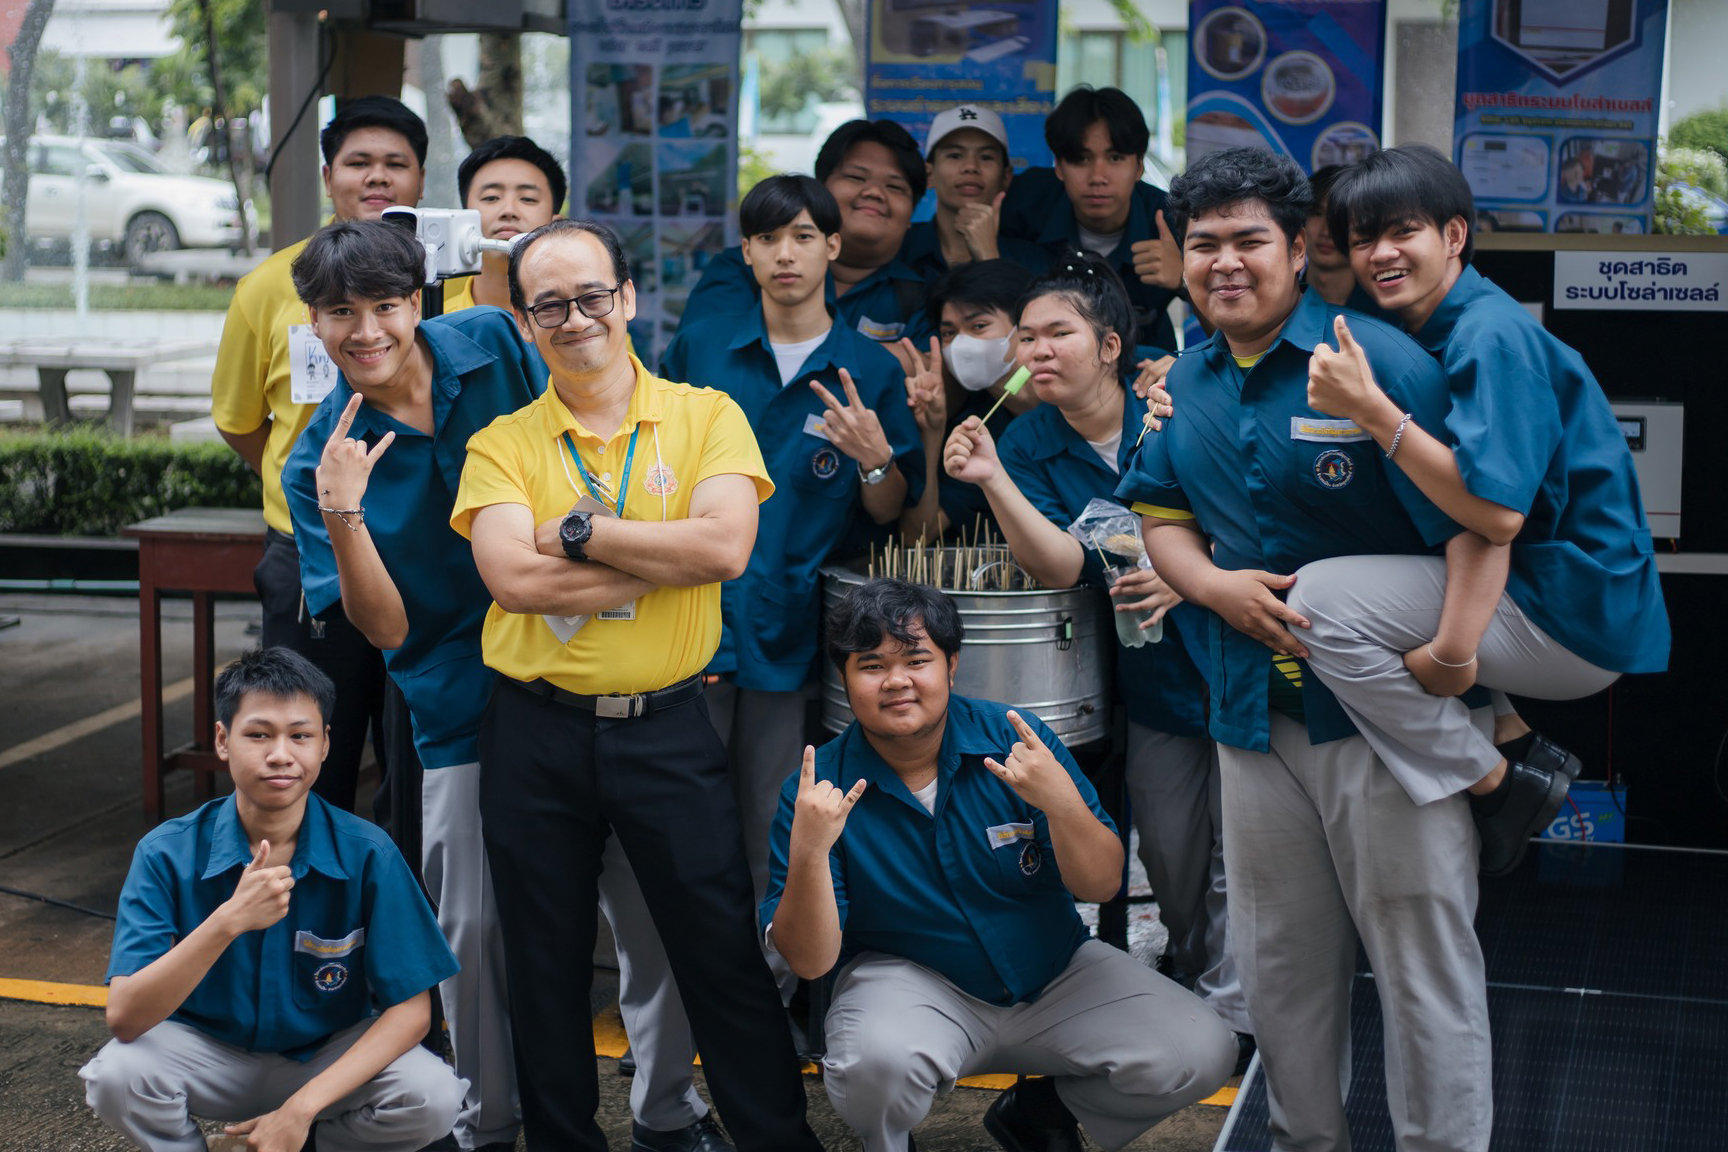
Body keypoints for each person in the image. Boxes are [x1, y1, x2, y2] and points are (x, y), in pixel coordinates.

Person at [1115, 146, 1494, 1151]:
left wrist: (1458, 668)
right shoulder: (1182, 382)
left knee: (1421, 964)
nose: (1225, 263)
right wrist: (1211, 587)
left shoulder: (1377, 364)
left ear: (1298, 249)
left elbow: (1476, 526)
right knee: (1279, 966)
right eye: (1204, 245)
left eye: (1250, 241)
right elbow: (1159, 517)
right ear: (1178, 255)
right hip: (1248, 718)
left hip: (1374, 725)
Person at [449, 218, 824, 1152]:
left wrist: (577, 533)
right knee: (543, 963)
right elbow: (513, 582)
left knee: (719, 952)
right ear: (524, 321)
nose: (574, 319)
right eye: (549, 305)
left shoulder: (707, 417)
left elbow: (728, 547)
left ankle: (777, 1139)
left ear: (625, 298)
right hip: (534, 730)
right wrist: (670, 559)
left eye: (590, 297)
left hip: (667, 725)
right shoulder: (501, 443)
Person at [1298, 143, 1669, 873]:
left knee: (1320, 604)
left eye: (1402, 231)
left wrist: (1374, 414)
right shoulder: (1430, 324)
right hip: (1558, 594)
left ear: (1454, 236)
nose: (1381, 253)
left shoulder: (1489, 334)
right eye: (1363, 238)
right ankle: (1509, 733)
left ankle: (1499, 782)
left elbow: (1497, 519)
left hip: (1575, 611)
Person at [765, 578, 1236, 1152]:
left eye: (917, 659)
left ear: (952, 665)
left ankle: (1040, 1112)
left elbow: (1103, 882)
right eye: (871, 665)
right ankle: (891, 1140)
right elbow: (810, 962)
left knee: (1203, 1050)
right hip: (913, 985)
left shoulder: (1016, 740)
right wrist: (810, 850)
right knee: (873, 1070)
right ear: (843, 676)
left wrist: (1059, 801)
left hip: (1055, 971)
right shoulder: (816, 789)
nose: (897, 682)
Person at [941, 253, 1250, 1055]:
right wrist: (992, 478)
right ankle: (1201, 979)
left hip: (1241, 656)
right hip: (1153, 681)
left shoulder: (1176, 403)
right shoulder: (1031, 439)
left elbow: (1250, 511)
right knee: (1177, 864)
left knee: (1249, 857)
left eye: (1057, 334)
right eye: (1026, 339)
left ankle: (1237, 1023)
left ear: (1110, 345)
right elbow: (1065, 566)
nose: (1036, 351)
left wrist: (1193, 578)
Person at [661, 175, 922, 932]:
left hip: (794, 634)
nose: (786, 255)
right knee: (682, 821)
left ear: (833, 248)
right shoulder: (704, 347)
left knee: (776, 821)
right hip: (692, 621)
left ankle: (769, 996)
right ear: (745, 251)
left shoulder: (866, 370)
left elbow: (891, 513)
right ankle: (686, 999)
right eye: (769, 238)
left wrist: (876, 459)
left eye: (804, 237)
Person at [80, 648, 465, 1152]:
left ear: (326, 744)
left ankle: (283, 1142)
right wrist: (228, 921)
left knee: (433, 1097)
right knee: (115, 1077)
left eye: (300, 735)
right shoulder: (165, 852)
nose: (280, 754)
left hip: (323, 1056)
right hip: (209, 1055)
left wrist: (299, 1111)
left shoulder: (368, 851)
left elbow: (412, 1012)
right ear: (223, 740)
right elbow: (125, 1016)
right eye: (258, 734)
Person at [210, 95, 428, 814]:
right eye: (359, 162)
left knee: (421, 759)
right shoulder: (268, 286)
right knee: (304, 751)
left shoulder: (443, 284)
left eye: (396, 164)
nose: (378, 178)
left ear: (421, 179)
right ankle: (305, 910)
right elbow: (242, 421)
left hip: (426, 557)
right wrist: (299, 491)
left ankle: (405, 911)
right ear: (329, 174)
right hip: (309, 560)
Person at [682, 119, 932, 347]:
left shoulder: (919, 296)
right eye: (856, 177)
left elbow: (929, 374)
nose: (874, 192)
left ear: (912, 212)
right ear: (820, 189)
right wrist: (888, 358)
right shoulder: (742, 269)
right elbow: (705, 355)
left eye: (894, 186)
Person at [999, 86, 1182, 351]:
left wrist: (1184, 280)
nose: (1098, 176)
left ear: (1139, 166)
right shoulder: (1023, 206)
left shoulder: (1170, 217)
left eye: (1115, 158)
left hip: (1146, 376)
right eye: (1081, 159)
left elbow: (1235, 333)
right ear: (1059, 167)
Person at [896, 258, 1035, 544]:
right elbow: (917, 534)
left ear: (1024, 327)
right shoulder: (976, 426)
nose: (961, 344)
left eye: (978, 325)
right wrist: (933, 433)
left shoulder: (1098, 385)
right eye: (949, 333)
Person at [897, 104, 1051, 282]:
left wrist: (989, 257)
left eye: (986, 157)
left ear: (1006, 178)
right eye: (955, 155)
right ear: (929, 174)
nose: (971, 167)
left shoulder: (1035, 263)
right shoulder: (898, 248)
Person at [444, 135, 568, 313]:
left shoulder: (583, 328)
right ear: (464, 220)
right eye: (491, 197)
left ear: (557, 226)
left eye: (528, 199)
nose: (509, 210)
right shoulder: (431, 327)